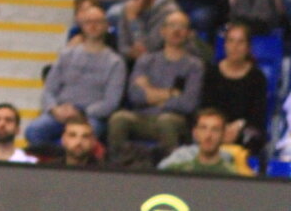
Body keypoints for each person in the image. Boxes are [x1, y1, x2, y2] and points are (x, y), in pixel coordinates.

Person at [107, 11, 204, 161]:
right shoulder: (146, 61)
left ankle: (170, 169)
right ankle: (119, 166)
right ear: (163, 31)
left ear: (189, 33)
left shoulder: (195, 66)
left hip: (176, 120)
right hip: (143, 117)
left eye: (181, 26)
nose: (176, 30)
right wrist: (172, 93)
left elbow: (188, 104)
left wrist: (149, 91)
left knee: (166, 121)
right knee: (119, 118)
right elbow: (135, 96)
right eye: (172, 25)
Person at [23, 3, 126, 145]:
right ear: (82, 26)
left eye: (98, 22)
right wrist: (54, 109)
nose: (93, 26)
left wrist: (81, 113)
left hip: (91, 117)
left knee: (80, 139)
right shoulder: (66, 55)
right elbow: (49, 90)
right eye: (88, 22)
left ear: (106, 26)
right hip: (60, 113)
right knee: (33, 131)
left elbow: (111, 102)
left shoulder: (115, 62)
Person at [200, 21, 268, 157]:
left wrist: (237, 126)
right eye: (231, 41)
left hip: (243, 128)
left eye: (240, 42)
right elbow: (205, 107)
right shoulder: (212, 73)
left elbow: (257, 115)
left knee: (251, 138)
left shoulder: (257, 77)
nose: (234, 47)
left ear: (248, 47)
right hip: (213, 127)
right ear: (225, 45)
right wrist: (219, 129)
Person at [115, 0, 182, 61]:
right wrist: (130, 52)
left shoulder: (169, 12)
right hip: (135, 61)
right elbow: (122, 46)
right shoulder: (128, 7)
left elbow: (149, 48)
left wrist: (133, 19)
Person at [157, 108, 250, 174]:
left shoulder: (232, 175)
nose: (208, 135)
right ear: (195, 133)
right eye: (203, 128)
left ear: (223, 135)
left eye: (215, 129)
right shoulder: (177, 170)